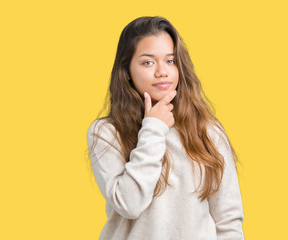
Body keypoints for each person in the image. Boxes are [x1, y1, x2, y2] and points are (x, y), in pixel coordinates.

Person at [86, 16, 244, 240]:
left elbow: (228, 220)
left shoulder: (208, 130)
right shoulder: (106, 132)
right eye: (148, 62)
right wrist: (153, 128)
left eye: (170, 61)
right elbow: (129, 204)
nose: (162, 71)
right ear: (127, 71)